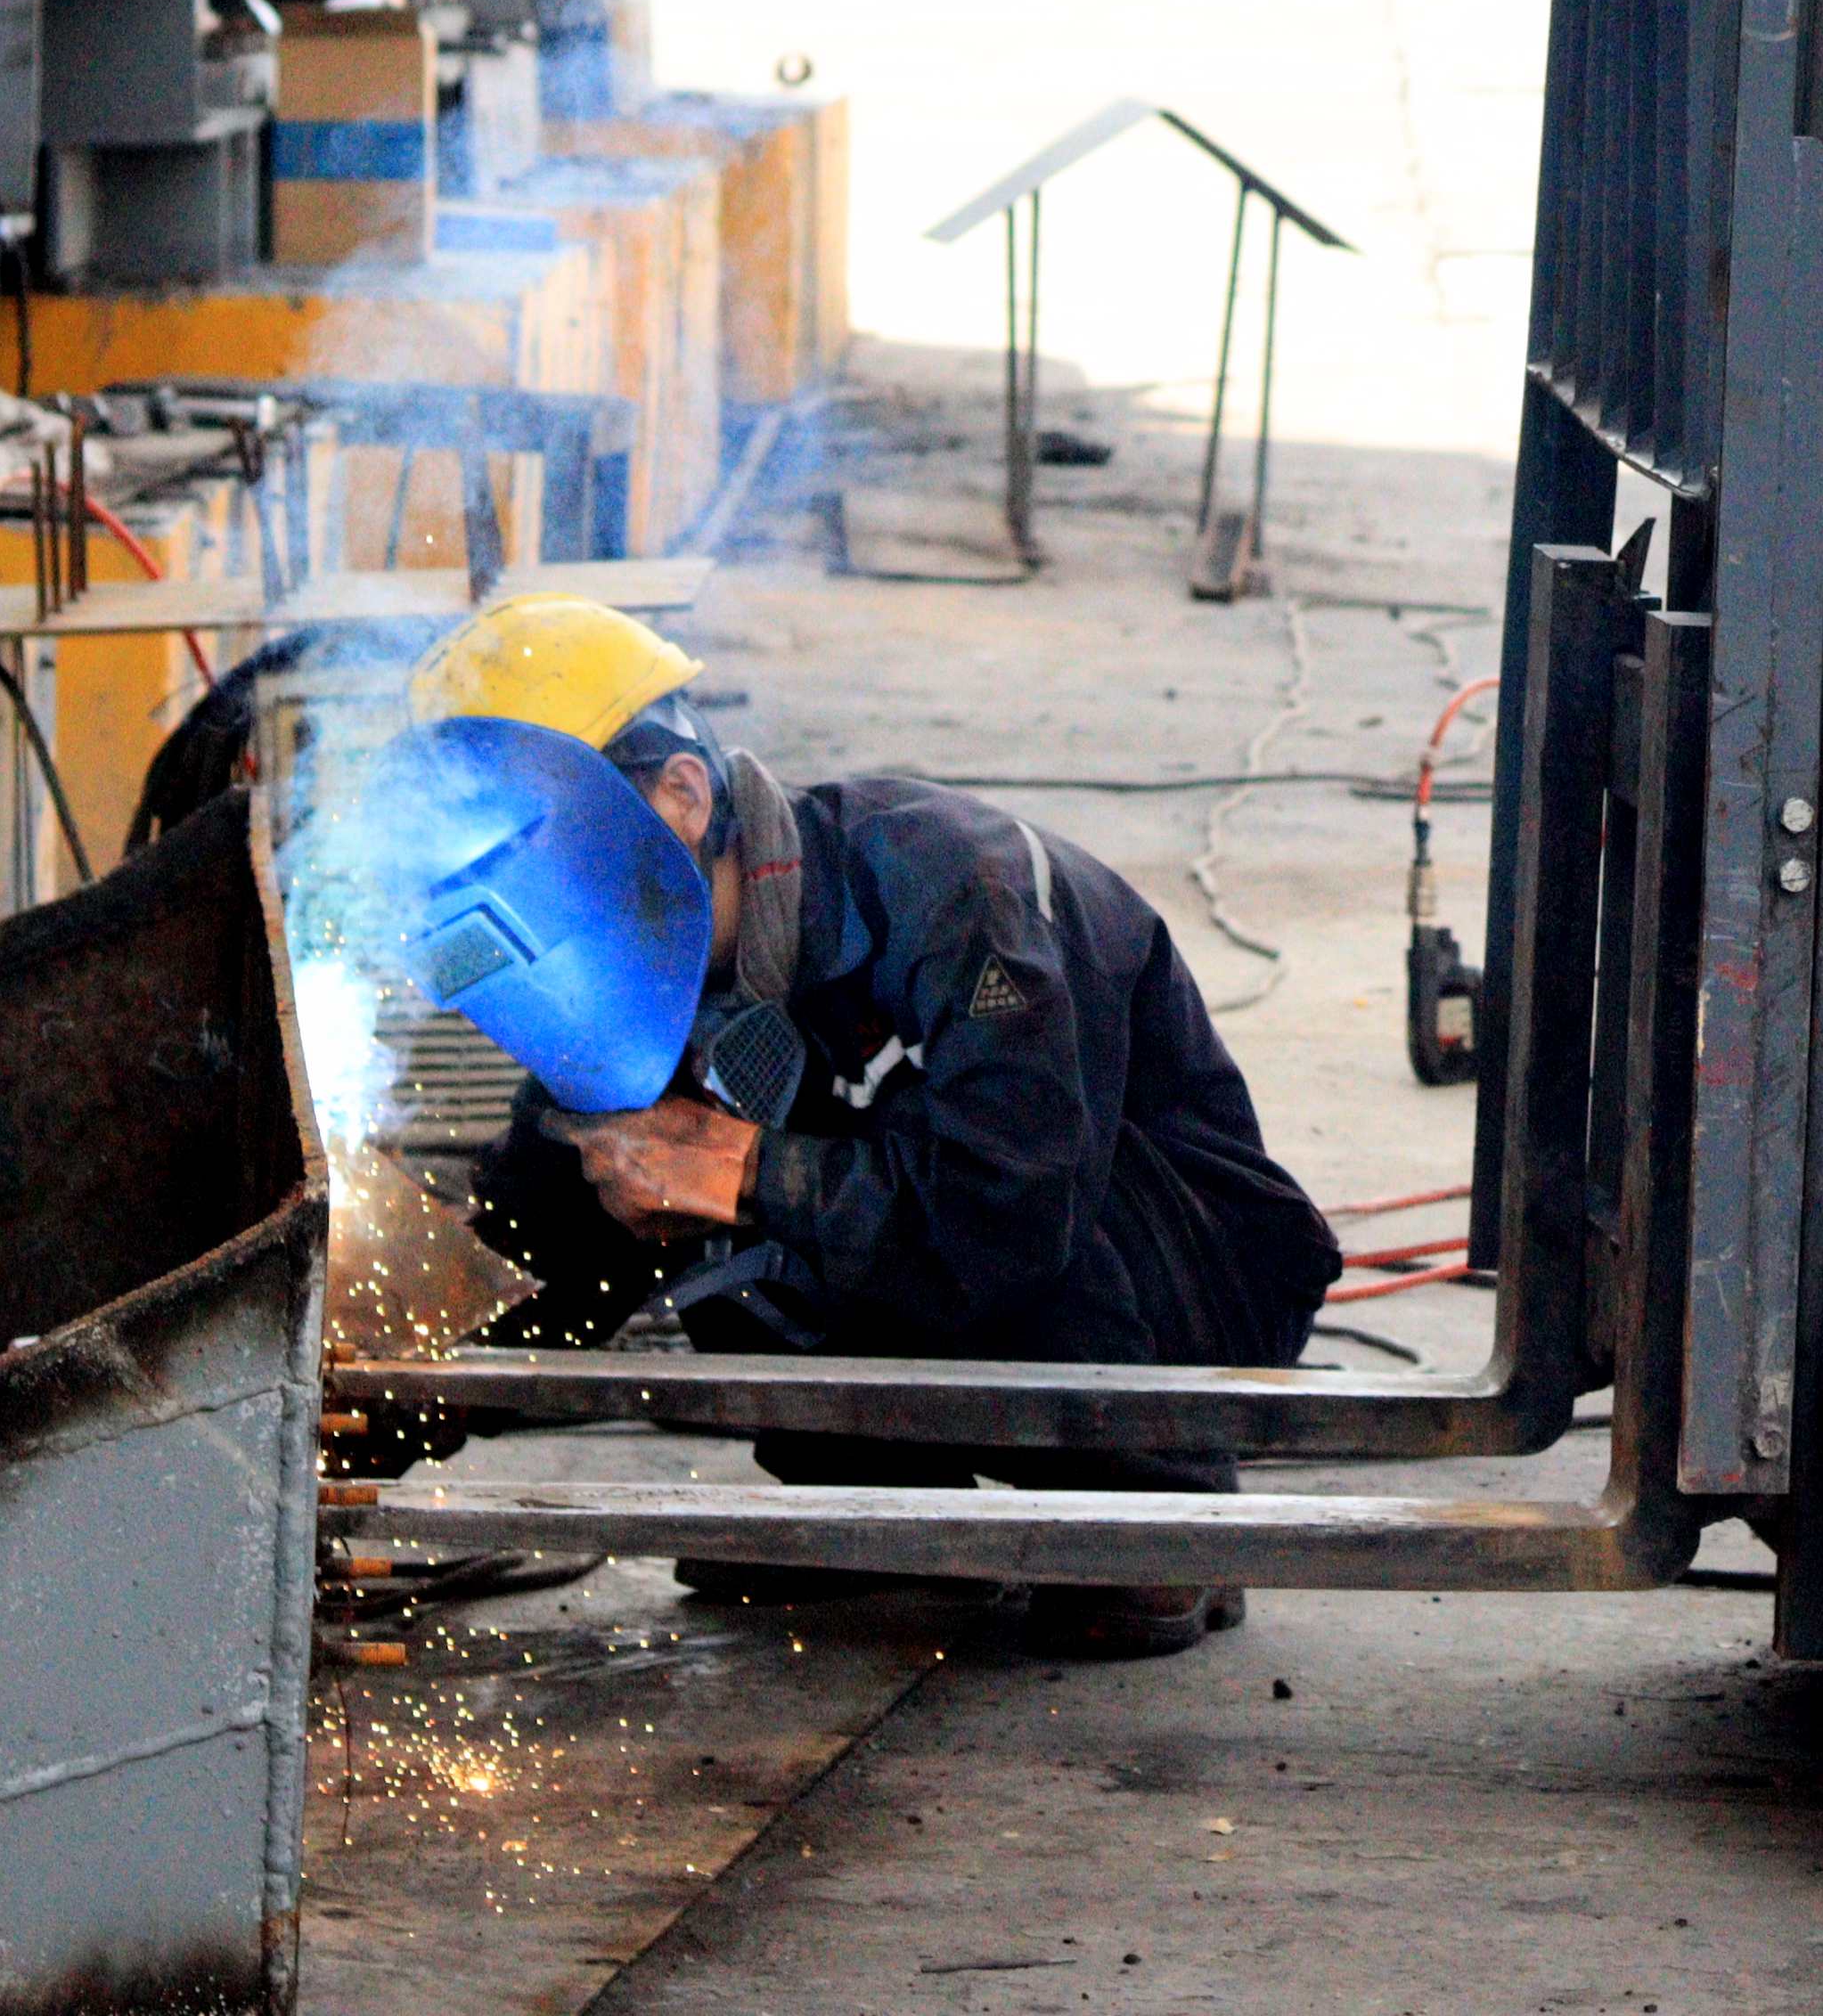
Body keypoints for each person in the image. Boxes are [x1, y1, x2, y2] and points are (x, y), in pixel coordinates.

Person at [421, 596, 1342, 1654]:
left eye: (539, 854)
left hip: (1178, 1259)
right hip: (1004, 1234)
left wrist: (749, 1170)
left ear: (680, 795)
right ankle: (880, 1510)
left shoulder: (960, 889)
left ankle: (1155, 1517)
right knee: (662, 1175)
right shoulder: (621, 982)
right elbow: (542, 1249)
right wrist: (388, 1404)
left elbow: (1013, 1214)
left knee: (775, 1172)